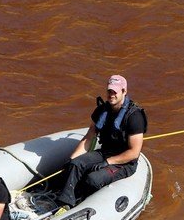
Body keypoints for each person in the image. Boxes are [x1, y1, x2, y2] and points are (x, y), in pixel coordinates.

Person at [55, 75, 147, 209]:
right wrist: (72, 159)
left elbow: (134, 152)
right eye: (109, 91)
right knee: (75, 164)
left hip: (124, 163)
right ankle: (65, 203)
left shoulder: (135, 116)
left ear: (124, 91)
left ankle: (81, 204)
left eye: (115, 92)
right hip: (104, 152)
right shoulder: (101, 110)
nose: (111, 95)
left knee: (93, 179)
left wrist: (109, 162)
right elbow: (89, 137)